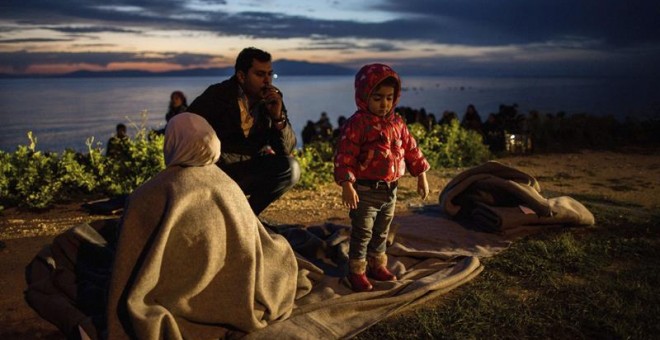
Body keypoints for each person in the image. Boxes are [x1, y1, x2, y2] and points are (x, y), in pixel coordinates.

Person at [106, 113, 298, 338]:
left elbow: (129, 260)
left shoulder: (149, 195)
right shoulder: (229, 186)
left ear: (173, 143)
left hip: (177, 296)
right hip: (237, 291)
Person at [334, 63, 430, 292]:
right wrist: (347, 184)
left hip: (391, 189)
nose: (384, 104)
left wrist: (422, 175)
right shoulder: (358, 124)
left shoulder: (397, 123)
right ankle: (356, 270)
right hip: (365, 190)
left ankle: (377, 264)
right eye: (377, 98)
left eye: (389, 98)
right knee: (363, 231)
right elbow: (345, 155)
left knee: (382, 230)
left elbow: (411, 149)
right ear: (364, 96)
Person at [187, 47, 300, 215]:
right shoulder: (217, 96)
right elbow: (186, 129)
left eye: (270, 74)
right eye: (260, 75)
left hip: (249, 169)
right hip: (216, 171)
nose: (267, 81)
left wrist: (278, 117)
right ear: (241, 76)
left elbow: (286, 149)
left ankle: (247, 217)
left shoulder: (272, 100)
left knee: (291, 168)